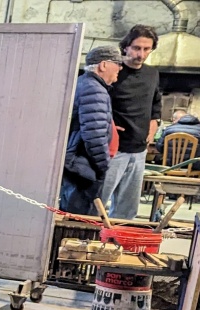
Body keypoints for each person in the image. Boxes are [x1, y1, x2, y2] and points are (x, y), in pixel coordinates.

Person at [100, 25, 162, 219]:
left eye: (146, 49)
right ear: (126, 47)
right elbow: (96, 102)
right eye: (136, 48)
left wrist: (154, 124)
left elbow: (156, 104)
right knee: (97, 205)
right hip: (113, 150)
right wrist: (108, 126)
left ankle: (117, 247)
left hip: (139, 151)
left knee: (127, 211)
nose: (141, 54)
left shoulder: (152, 74)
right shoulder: (114, 71)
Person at [61, 46, 123, 215]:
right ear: (103, 65)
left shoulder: (86, 84)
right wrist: (103, 166)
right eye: (117, 63)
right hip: (84, 168)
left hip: (79, 165)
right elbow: (94, 136)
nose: (120, 68)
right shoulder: (94, 89)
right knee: (79, 222)